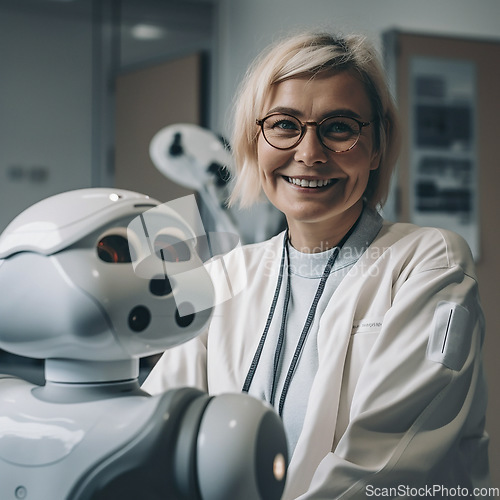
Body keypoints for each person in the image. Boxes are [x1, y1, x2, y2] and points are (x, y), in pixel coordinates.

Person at [143, 32, 490, 498]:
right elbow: (159, 429)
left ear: (378, 148)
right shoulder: (225, 276)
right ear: (255, 140)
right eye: (285, 125)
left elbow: (383, 464)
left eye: (340, 127)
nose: (309, 153)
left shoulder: (428, 262)